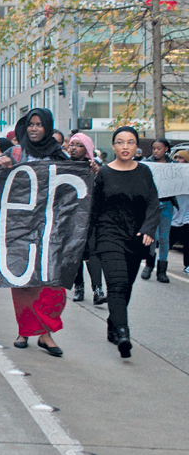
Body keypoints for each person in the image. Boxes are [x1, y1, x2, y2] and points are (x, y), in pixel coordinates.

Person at [0, 108, 68, 357]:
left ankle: (46, 333)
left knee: (52, 281)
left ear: (48, 127)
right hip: (19, 226)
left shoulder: (61, 156)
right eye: (30, 125)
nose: (34, 129)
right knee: (23, 280)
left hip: (50, 227)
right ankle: (24, 330)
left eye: (39, 125)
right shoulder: (14, 153)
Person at [92, 126, 160, 359]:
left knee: (126, 285)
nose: (125, 146)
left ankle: (113, 322)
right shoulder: (104, 173)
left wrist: (149, 228)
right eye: (120, 142)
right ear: (113, 146)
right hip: (108, 235)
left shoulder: (144, 172)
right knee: (117, 283)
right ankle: (123, 332)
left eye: (130, 142)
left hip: (136, 237)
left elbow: (153, 203)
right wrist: (88, 240)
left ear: (136, 147)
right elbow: (94, 207)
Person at [67, 133, 106, 305]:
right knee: (75, 253)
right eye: (71, 144)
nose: (73, 148)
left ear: (87, 149)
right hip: (70, 217)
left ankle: (98, 290)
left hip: (90, 216)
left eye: (78, 145)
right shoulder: (64, 166)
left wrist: (97, 174)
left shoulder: (95, 168)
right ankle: (79, 287)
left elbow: (103, 191)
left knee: (92, 253)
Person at [141, 138, 174, 283]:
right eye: (154, 148)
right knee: (151, 236)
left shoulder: (174, 166)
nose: (156, 151)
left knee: (164, 237)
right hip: (152, 205)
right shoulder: (147, 164)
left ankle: (162, 270)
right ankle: (149, 265)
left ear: (166, 149)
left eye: (159, 148)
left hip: (167, 203)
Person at [170, 150, 189, 275]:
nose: (177, 160)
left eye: (180, 158)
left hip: (187, 215)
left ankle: (187, 265)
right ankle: (158, 262)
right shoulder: (170, 175)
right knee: (168, 240)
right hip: (174, 215)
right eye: (175, 158)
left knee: (188, 241)